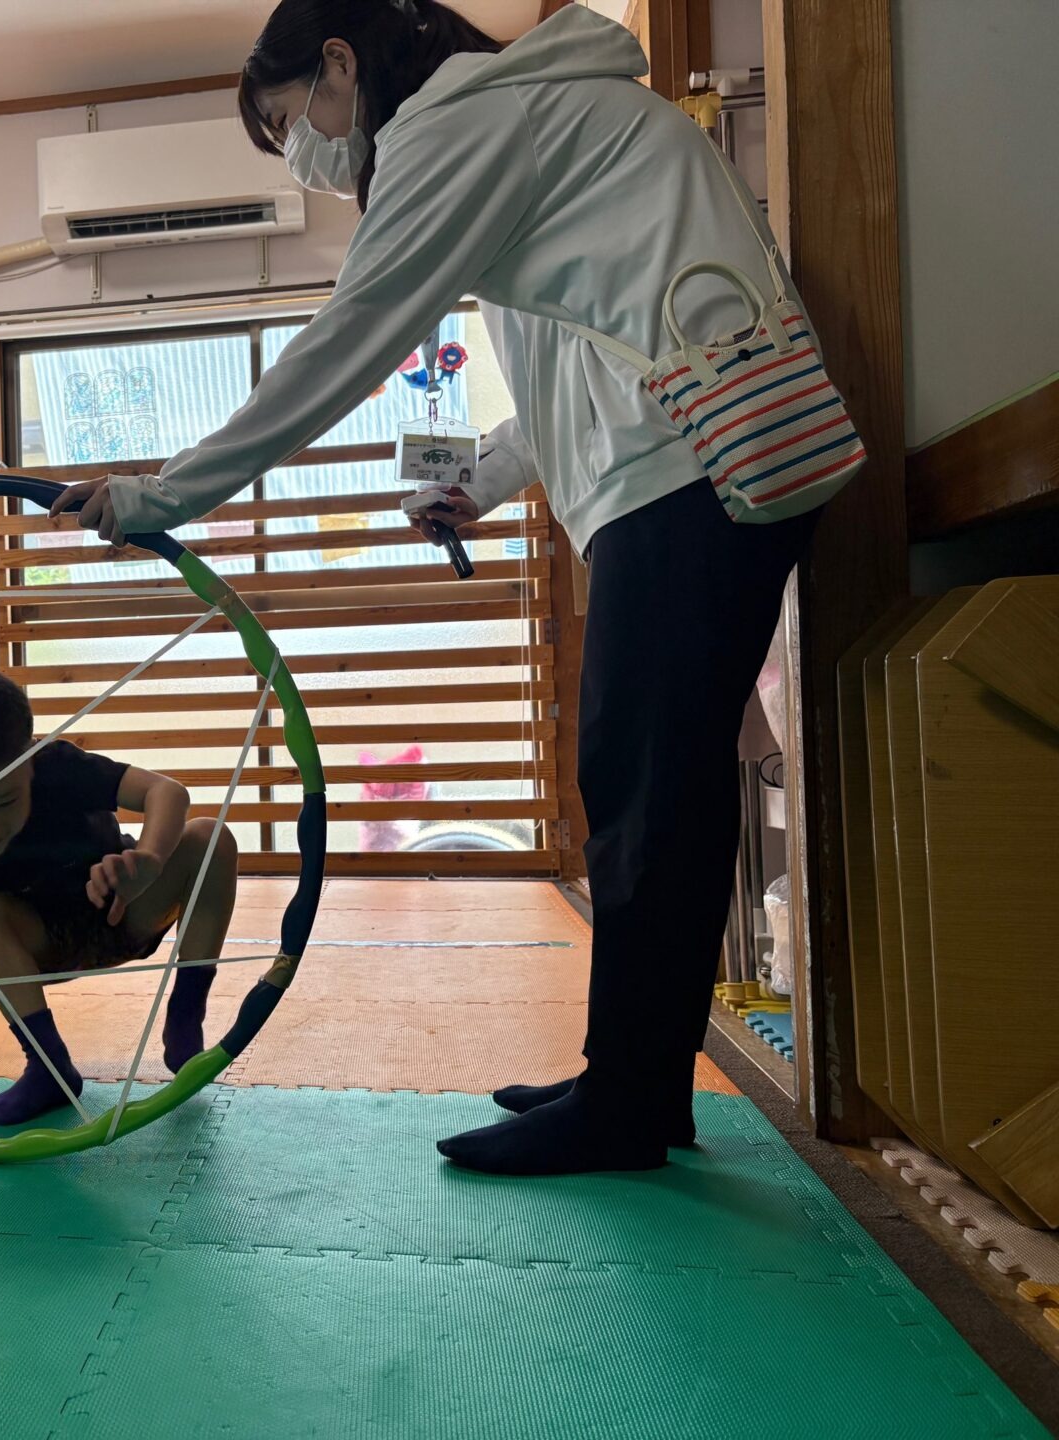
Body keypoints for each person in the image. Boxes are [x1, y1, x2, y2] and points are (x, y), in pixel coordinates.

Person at [49, 1, 832, 1175]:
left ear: (340, 63)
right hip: (676, 465)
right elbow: (584, 354)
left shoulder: (461, 126)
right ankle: (636, 1081)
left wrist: (162, 493)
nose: (309, 158)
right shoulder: (542, 122)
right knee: (639, 783)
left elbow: (348, 336)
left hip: (689, 472)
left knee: (642, 787)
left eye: (291, 122)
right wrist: (488, 477)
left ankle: (627, 1103)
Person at [0, 670, 237, 1126]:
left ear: (31, 761)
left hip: (123, 913)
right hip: (38, 955)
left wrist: (147, 861)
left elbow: (166, 791)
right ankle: (49, 1067)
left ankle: (186, 1018)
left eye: (6, 801)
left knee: (211, 837)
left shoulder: (59, 767)